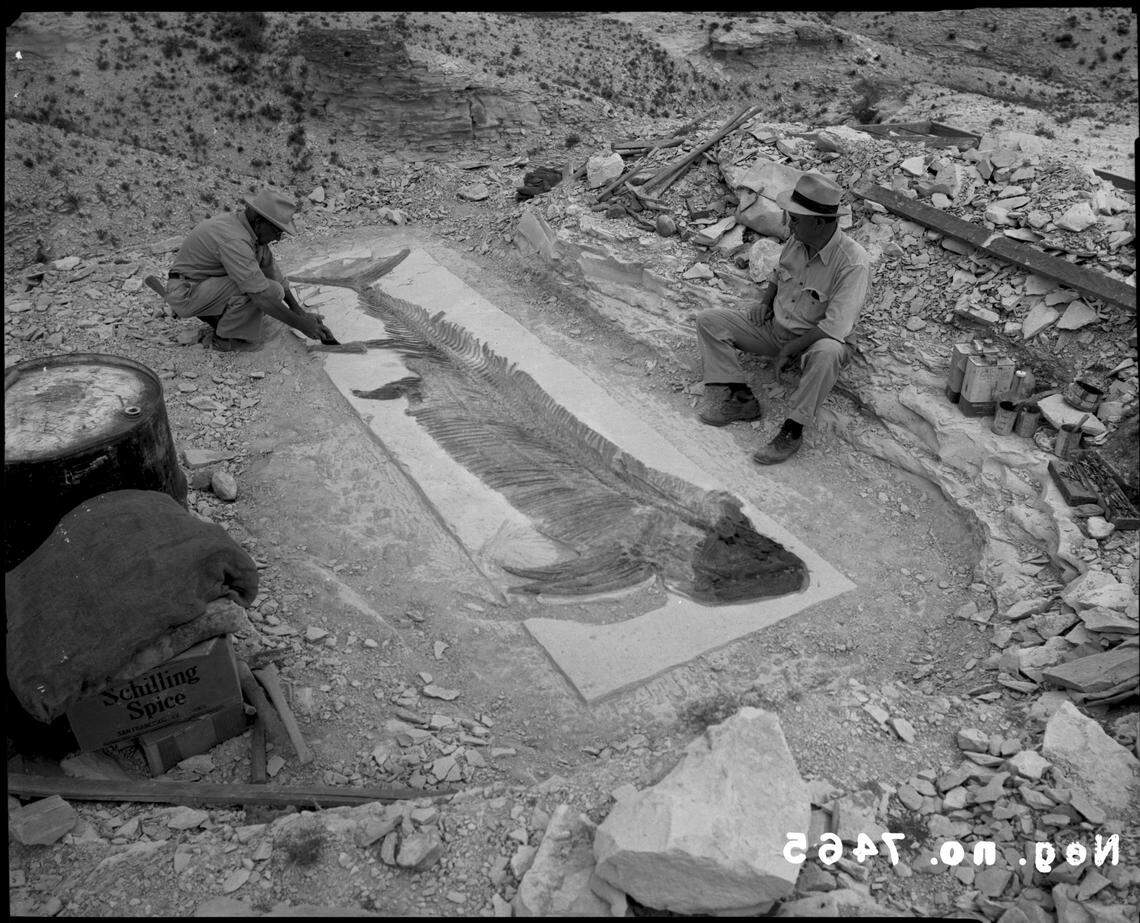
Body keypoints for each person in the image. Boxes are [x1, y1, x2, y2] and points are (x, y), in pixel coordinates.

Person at [694, 173, 870, 464]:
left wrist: (792, 348)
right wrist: (765, 302)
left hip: (813, 342)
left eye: (795, 218)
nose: (788, 223)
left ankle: (793, 429)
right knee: (710, 320)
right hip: (776, 330)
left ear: (819, 222)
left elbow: (835, 328)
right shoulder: (797, 241)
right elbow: (777, 277)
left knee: (829, 352)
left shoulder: (852, 262)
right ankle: (741, 399)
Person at [161, 188, 336, 352]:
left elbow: (274, 274)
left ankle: (222, 321)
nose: (278, 237)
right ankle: (225, 339)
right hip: (186, 293)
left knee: (273, 287)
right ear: (260, 221)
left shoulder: (251, 233)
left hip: (202, 286)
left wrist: (300, 313)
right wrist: (301, 325)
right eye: (277, 230)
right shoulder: (234, 239)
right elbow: (260, 296)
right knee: (263, 291)